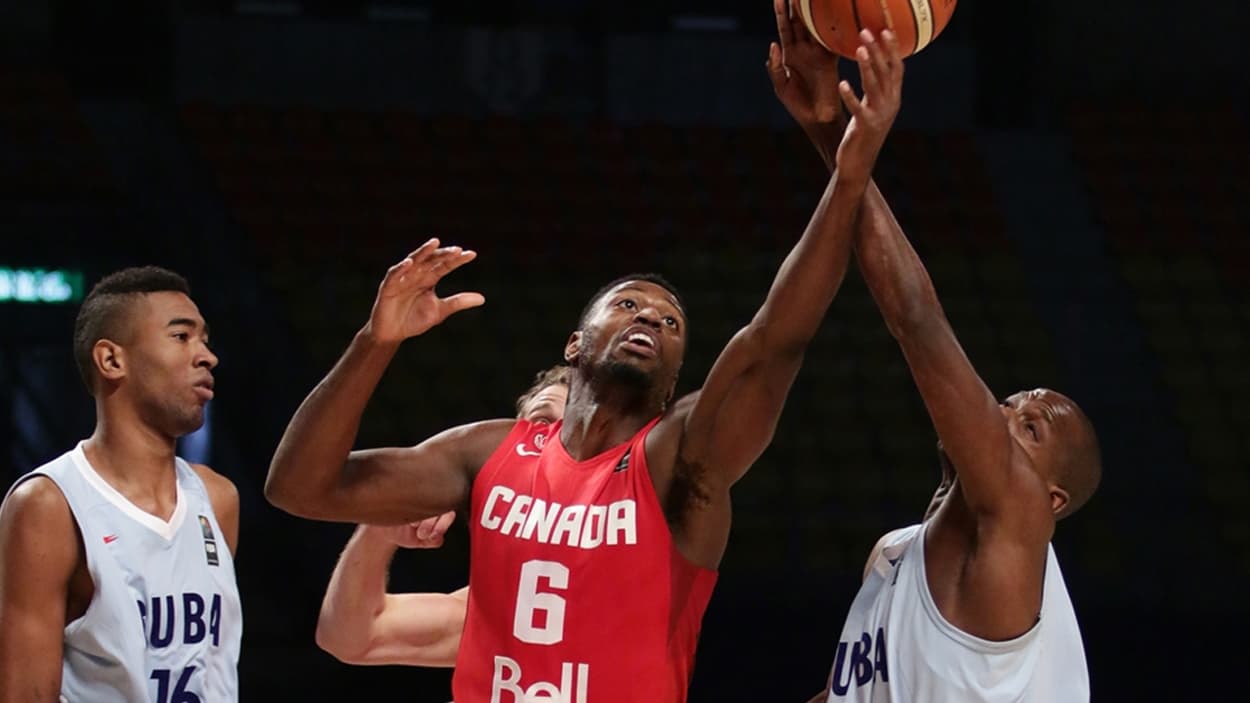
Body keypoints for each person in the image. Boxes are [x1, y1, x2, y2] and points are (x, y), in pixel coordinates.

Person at [264, 30, 901, 700]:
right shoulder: (488, 452)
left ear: (674, 381)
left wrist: (847, 167)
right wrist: (375, 341)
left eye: (671, 322)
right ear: (575, 345)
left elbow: (775, 342)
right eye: (628, 304)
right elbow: (299, 487)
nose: (650, 318)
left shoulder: (677, 460)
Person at [765, 3, 1100, 700]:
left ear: (1052, 499)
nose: (1000, 415)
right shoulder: (893, 555)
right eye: (1009, 405)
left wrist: (835, 134)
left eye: (1030, 428)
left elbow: (916, 319)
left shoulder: (1019, 517)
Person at [0, 266, 242, 703]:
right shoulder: (49, 503)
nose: (207, 356)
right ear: (112, 360)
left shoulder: (217, 498)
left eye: (205, 340)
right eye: (181, 336)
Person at [314, 366, 570, 667]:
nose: (554, 441)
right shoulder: (520, 606)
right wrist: (378, 530)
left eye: (576, 428)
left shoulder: (618, 587)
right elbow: (354, 638)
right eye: (541, 425)